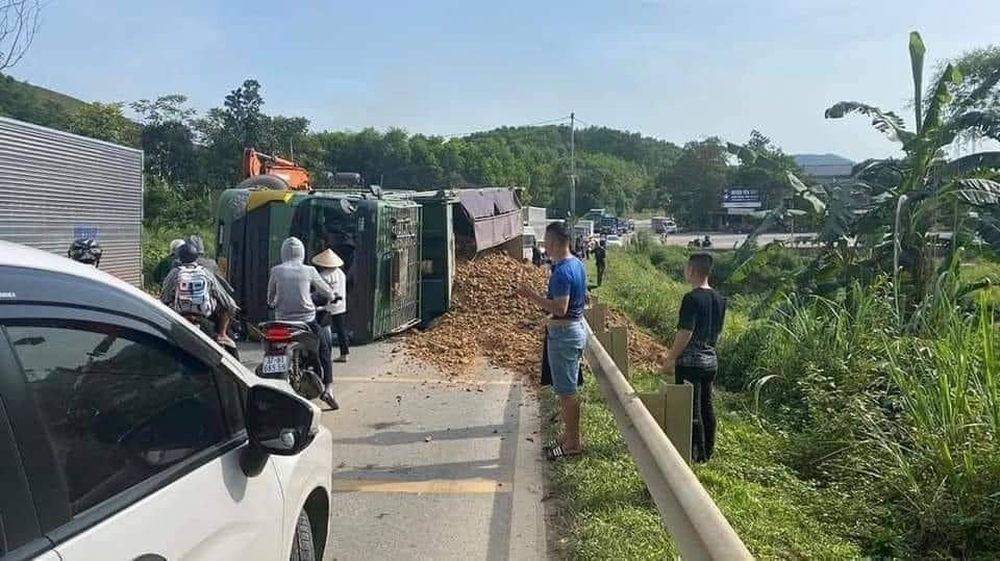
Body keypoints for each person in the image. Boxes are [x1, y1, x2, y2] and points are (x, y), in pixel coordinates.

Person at [517, 221, 587, 461]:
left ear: (556, 242)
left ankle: (573, 442)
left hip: (564, 336)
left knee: (567, 392)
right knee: (566, 390)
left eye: (546, 241)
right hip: (572, 330)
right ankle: (567, 437)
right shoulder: (577, 264)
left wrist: (531, 296)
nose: (544, 246)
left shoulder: (561, 272)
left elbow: (560, 306)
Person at [660, 253, 726, 463]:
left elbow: (685, 332)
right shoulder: (720, 299)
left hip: (690, 361)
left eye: (687, 268)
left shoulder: (691, 298)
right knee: (706, 404)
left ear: (692, 271)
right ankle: (707, 451)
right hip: (710, 359)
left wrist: (671, 357)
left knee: (690, 407)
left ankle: (695, 453)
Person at [268, 237, 338, 410]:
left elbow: (270, 297)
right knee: (324, 348)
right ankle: (328, 388)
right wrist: (332, 296)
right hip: (306, 321)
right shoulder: (309, 270)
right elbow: (325, 290)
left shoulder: (276, 270)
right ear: (302, 252)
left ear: (283, 252)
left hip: (281, 322)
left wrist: (272, 302)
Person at [161, 243, 238, 348]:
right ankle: (222, 334)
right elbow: (228, 303)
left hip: (179, 320)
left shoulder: (174, 273)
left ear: (179, 257)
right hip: (204, 320)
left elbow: (164, 298)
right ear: (197, 256)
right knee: (229, 305)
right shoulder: (206, 272)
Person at [311, 248, 350, 363]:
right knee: (341, 330)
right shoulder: (341, 273)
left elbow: (319, 292)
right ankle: (345, 353)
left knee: (322, 329)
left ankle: (323, 352)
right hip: (340, 305)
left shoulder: (323, 276)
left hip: (325, 307)